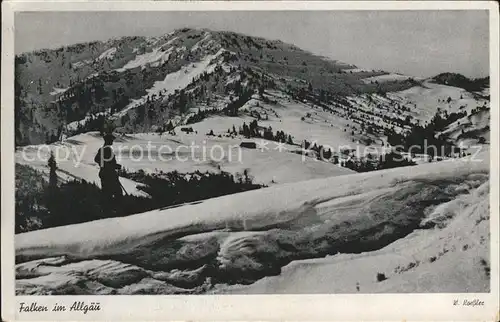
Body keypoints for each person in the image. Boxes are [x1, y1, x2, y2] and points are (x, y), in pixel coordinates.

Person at [94, 133, 123, 206]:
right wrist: (115, 166)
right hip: (109, 174)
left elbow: (97, 159)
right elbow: (108, 163)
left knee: (107, 193)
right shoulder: (107, 150)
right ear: (108, 141)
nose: (112, 141)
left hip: (104, 173)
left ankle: (108, 208)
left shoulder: (103, 149)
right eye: (111, 140)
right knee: (116, 193)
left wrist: (103, 165)